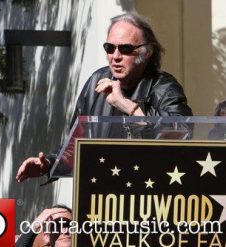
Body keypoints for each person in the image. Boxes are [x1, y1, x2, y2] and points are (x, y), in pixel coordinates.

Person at [16, 12, 193, 182]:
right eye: (110, 48)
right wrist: (48, 164)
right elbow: (75, 144)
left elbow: (181, 136)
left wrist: (128, 106)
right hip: (101, 194)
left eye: (125, 49)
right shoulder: (97, 81)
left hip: (146, 194)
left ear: (146, 53)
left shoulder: (165, 87)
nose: (115, 56)